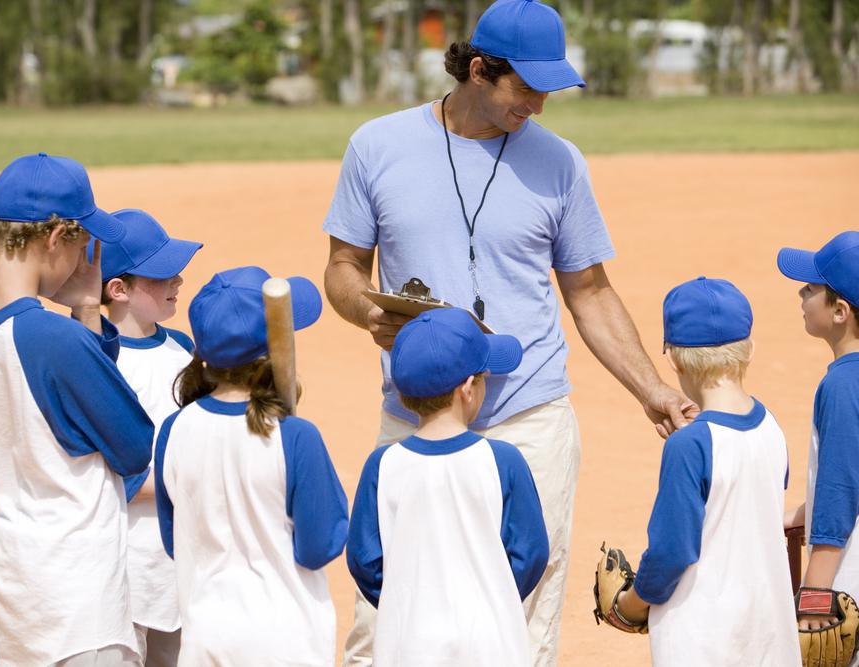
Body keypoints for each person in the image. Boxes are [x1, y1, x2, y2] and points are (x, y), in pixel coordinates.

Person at [321, 1, 696, 663]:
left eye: (548, 91)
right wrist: (366, 310)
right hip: (417, 412)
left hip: (530, 414)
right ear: (476, 71)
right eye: (525, 89)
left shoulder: (560, 163)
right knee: (381, 622)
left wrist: (652, 388)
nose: (539, 107)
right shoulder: (377, 146)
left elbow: (590, 292)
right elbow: (344, 267)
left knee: (523, 617)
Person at [0, 153, 154, 666]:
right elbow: (135, 446)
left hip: (20, 575)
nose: (83, 259)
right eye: (78, 244)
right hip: (78, 593)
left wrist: (88, 308)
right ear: (52, 239)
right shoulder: (52, 335)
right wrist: (82, 318)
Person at [155, 266, 348, 666]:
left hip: (205, 636)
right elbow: (318, 546)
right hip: (286, 638)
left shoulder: (175, 428)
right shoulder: (295, 436)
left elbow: (175, 540)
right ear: (269, 353)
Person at [604, 277, 799, 665]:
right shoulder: (770, 427)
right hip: (769, 633)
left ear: (673, 358)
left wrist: (631, 601)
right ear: (750, 349)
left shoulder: (689, 445)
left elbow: (672, 551)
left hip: (703, 642)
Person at [347, 308, 548, 667]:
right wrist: (494, 594)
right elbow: (530, 554)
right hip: (490, 642)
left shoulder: (383, 464)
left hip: (408, 643)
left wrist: (406, 602)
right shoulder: (503, 460)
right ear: (468, 390)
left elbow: (365, 561)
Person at [96, 207, 202, 666]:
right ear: (117, 289)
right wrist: (189, 483)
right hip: (127, 566)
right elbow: (105, 474)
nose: (177, 280)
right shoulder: (100, 360)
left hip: (182, 562)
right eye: (161, 275)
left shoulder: (183, 348)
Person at [780, 232, 859, 643]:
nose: (801, 293)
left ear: (841, 310)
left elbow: (840, 492)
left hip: (849, 588)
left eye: (810, 289)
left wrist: (813, 600)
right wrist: (802, 515)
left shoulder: (843, 385)